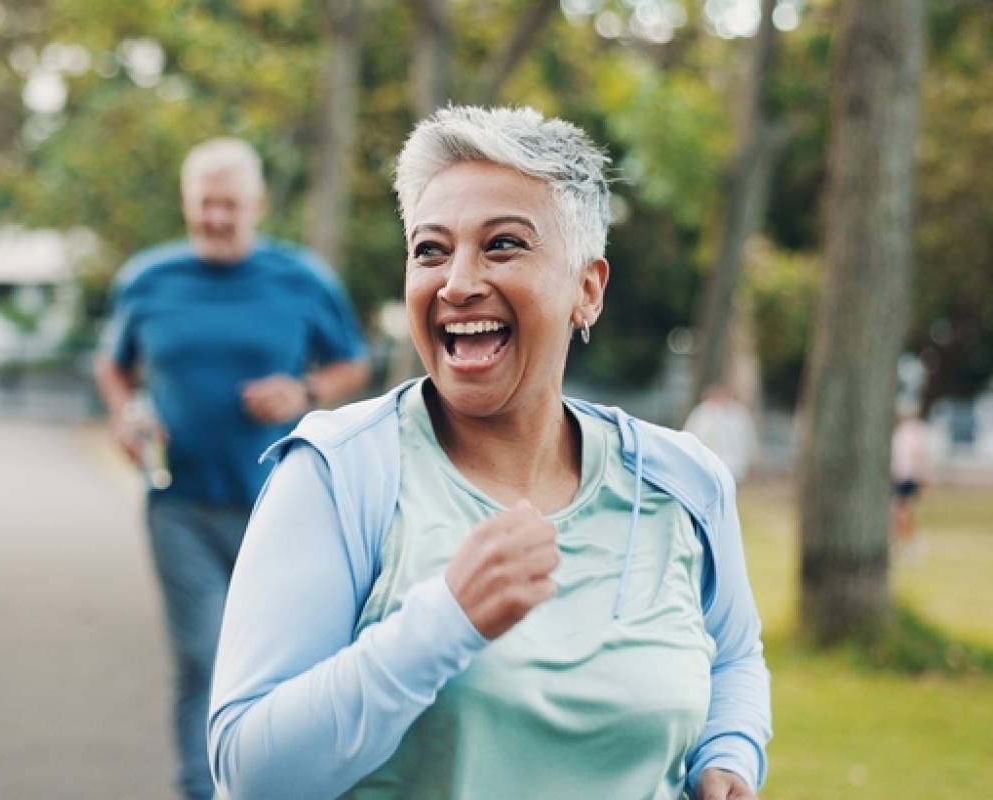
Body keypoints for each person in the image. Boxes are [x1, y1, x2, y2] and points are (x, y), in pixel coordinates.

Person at [207, 107, 772, 800]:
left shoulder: (683, 481)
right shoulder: (340, 473)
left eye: (502, 245)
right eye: (431, 251)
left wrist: (729, 752)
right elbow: (250, 771)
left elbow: (734, 657)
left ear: (587, 289)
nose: (457, 283)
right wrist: (443, 623)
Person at [93, 137, 370, 800]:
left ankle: (281, 782)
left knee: (287, 656)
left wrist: (303, 391)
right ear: (187, 202)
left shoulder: (302, 279)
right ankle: (205, 788)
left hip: (282, 505)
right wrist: (126, 413)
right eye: (205, 204)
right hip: (178, 502)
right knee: (204, 654)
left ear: (258, 205)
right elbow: (113, 364)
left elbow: (352, 364)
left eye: (230, 205)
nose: (215, 218)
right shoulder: (148, 279)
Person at [684, 383, 757, 482]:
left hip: (734, 466)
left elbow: (747, 439)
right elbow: (691, 437)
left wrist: (750, 460)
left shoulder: (738, 413)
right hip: (708, 464)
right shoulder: (701, 413)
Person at [891, 401, 930, 556]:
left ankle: (903, 542)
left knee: (902, 510)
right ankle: (904, 542)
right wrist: (922, 474)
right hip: (906, 476)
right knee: (904, 510)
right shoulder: (913, 432)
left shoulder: (901, 432)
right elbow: (918, 455)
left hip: (902, 476)